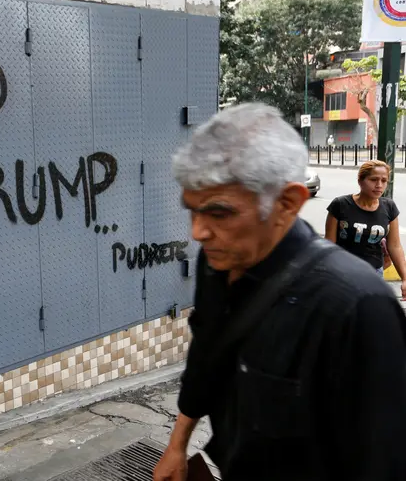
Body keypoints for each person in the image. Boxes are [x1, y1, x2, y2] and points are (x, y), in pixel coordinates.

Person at [152, 103, 406, 481]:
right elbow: (206, 354)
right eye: (192, 211)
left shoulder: (358, 306)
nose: (198, 233)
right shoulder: (217, 261)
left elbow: (380, 460)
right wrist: (177, 445)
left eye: (219, 213)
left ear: (287, 203)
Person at [325, 161, 406, 297]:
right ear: (360, 181)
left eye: (384, 180)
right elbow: (329, 244)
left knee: (371, 315)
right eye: (373, 179)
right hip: (342, 273)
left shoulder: (389, 207)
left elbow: (395, 246)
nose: (379, 185)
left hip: (374, 274)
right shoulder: (340, 205)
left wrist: (404, 278)